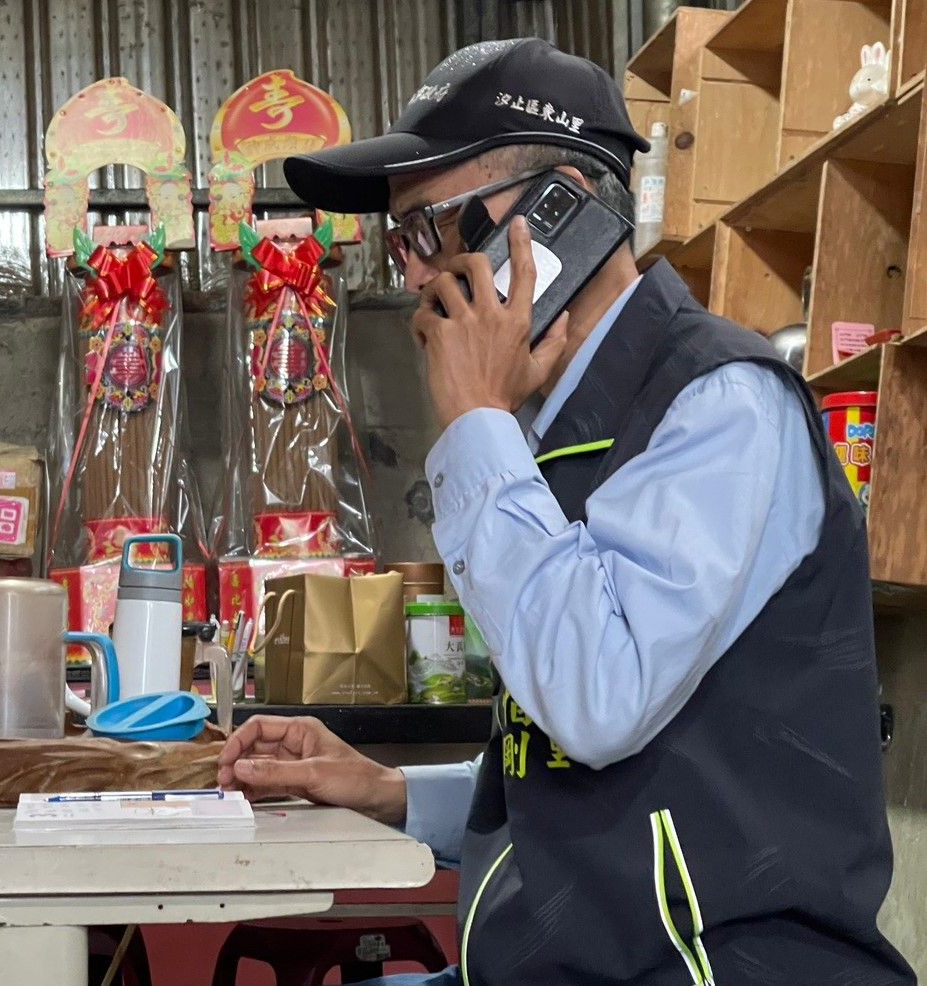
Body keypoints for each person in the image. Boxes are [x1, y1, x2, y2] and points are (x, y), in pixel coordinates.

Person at [218, 38, 913, 986]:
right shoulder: (556, 426)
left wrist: (474, 426)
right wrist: (390, 792)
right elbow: (583, 778)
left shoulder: (717, 408)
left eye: (429, 231)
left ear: (559, 217)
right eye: (399, 246)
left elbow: (596, 701)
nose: (416, 279)